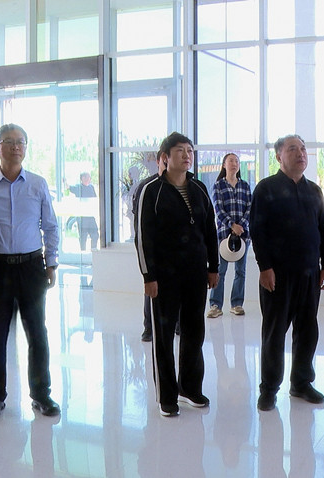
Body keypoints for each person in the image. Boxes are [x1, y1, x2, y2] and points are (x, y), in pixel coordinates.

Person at [0, 123, 61, 421]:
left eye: (21, 141)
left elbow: (51, 226)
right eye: (9, 141)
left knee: (38, 334)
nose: (16, 146)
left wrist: (51, 262)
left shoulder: (37, 184)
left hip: (31, 268)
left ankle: (41, 395)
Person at [135, 132, 219, 417]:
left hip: (195, 274)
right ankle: (167, 396)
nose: (187, 155)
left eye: (190, 151)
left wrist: (213, 267)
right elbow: (143, 237)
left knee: (194, 332)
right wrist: (148, 276)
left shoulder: (199, 188)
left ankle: (190, 388)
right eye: (180, 150)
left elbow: (209, 229)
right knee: (163, 335)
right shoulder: (152, 190)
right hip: (164, 277)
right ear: (165, 157)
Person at [250, 134, 324, 411]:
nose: (301, 153)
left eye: (303, 148)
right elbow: (258, 231)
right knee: (275, 333)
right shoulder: (266, 189)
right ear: (279, 156)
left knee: (308, 331)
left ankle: (301, 383)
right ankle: (269, 388)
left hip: (310, 274)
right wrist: (265, 267)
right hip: (278, 276)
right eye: (293, 149)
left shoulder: (314, 191)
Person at [207, 153, 252, 318]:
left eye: (237, 161)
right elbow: (218, 210)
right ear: (224, 165)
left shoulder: (245, 186)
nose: (234, 163)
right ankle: (215, 305)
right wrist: (232, 226)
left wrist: (241, 227)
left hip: (243, 236)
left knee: (241, 271)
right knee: (220, 270)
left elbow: (250, 209)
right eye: (231, 161)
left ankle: (237, 304)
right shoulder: (218, 186)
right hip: (223, 236)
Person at [131, 155, 166, 342]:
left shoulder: (185, 185)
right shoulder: (147, 186)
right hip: (155, 252)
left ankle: (177, 324)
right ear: (160, 160)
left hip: (177, 253)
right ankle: (149, 327)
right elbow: (140, 224)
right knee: (152, 289)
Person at [68, 172, 99, 250]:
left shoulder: (91, 187)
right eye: (86, 177)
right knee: (83, 237)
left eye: (89, 177)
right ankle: (83, 251)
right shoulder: (78, 187)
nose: (88, 179)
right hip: (82, 216)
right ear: (82, 178)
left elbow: (94, 199)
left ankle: (93, 249)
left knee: (95, 234)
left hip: (90, 215)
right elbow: (68, 187)